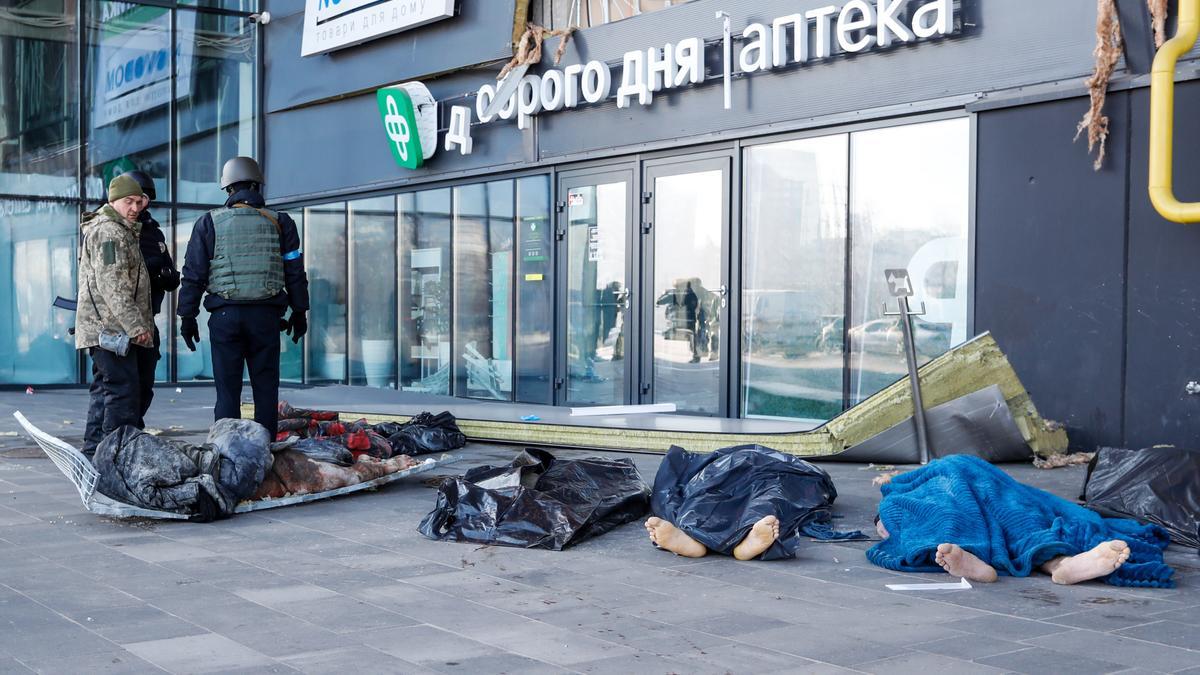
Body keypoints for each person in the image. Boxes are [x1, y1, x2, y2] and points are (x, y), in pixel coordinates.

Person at [868, 454, 1175, 587]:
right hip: (969, 493)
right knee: (1017, 522)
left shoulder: (922, 479)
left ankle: (1058, 565)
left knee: (1010, 514)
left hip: (984, 486)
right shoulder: (904, 493)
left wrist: (889, 518)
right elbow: (893, 514)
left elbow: (891, 517)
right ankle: (1059, 563)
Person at [178, 157, 309, 436]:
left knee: (227, 393)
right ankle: (265, 455)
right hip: (266, 318)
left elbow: (193, 274)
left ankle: (227, 454)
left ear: (228, 190)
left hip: (225, 317)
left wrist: (186, 316)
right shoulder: (281, 222)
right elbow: (294, 271)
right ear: (256, 185)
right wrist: (300, 311)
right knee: (265, 390)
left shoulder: (208, 223)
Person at [645, 444, 863, 561]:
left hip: (737, 474)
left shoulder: (788, 466)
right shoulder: (795, 467)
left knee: (709, 496)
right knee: (772, 499)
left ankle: (694, 535)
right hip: (740, 473)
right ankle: (743, 542)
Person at [77, 175, 156, 458]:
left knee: (106, 391)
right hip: (111, 329)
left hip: (108, 328)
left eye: (138, 202)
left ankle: (92, 454)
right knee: (123, 393)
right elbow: (112, 285)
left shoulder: (120, 228)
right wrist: (137, 326)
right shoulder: (110, 232)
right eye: (129, 202)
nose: (135, 207)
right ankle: (115, 458)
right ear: (114, 202)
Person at [124, 170, 180, 425]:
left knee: (145, 385)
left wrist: (166, 275)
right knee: (117, 389)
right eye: (135, 198)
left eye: (145, 199)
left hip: (147, 320)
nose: (140, 205)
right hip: (119, 323)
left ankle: (134, 433)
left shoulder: (153, 232)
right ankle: (108, 442)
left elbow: (169, 273)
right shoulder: (112, 228)